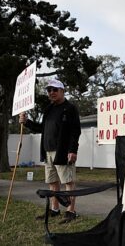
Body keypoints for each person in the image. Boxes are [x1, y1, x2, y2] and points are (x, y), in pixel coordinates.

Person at [19, 78, 81, 224]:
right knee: (52, 182)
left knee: (68, 181)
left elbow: (75, 131)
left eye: (54, 89)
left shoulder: (70, 108)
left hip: (63, 151)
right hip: (47, 152)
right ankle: (54, 209)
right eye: (49, 90)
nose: (51, 92)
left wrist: (72, 150)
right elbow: (42, 128)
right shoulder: (49, 109)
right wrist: (27, 122)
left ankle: (71, 211)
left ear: (62, 91)